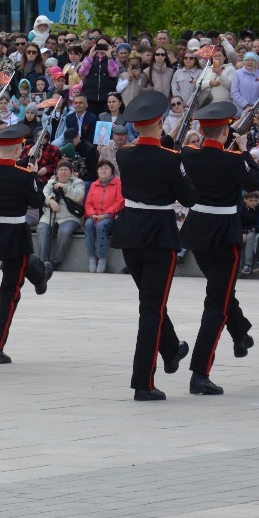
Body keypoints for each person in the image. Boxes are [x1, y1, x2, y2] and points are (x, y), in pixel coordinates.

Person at [111, 91, 199, 401]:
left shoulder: (124, 154)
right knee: (151, 308)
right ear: (160, 122)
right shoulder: (171, 159)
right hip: (159, 236)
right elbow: (188, 197)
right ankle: (143, 382)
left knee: (152, 302)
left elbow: (149, 157)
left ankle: (171, 349)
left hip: (131, 234)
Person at [178, 102, 259, 395]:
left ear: (201, 131)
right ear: (226, 131)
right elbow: (257, 181)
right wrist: (244, 150)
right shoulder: (234, 160)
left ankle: (240, 332)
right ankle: (200, 374)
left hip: (198, 233)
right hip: (225, 236)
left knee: (221, 292)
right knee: (216, 303)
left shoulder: (189, 154)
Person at [0, 124, 52, 364]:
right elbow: (37, 201)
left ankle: (40, 273)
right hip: (15, 234)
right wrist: (33, 176)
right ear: (20, 149)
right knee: (10, 292)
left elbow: (4, 174)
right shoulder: (25, 176)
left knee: (17, 268)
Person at [36, 161, 85, 270]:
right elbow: (43, 195)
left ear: (71, 172)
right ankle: (43, 263)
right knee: (42, 230)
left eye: (66, 170)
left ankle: (56, 262)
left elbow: (78, 196)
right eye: (61, 170)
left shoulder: (78, 182)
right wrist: (50, 201)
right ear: (56, 172)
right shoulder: (51, 182)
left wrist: (65, 187)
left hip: (70, 216)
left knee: (65, 231)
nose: (63, 172)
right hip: (49, 214)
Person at [82, 160, 123, 271]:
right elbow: (88, 203)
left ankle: (102, 257)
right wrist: (93, 214)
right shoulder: (94, 185)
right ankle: (91, 257)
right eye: (101, 168)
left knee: (101, 226)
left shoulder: (118, 184)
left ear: (112, 171)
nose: (103, 170)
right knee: (88, 225)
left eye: (106, 168)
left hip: (111, 216)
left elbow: (119, 202)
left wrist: (105, 215)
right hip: (94, 216)